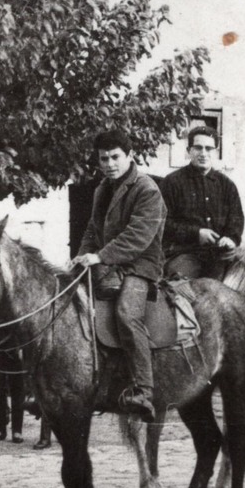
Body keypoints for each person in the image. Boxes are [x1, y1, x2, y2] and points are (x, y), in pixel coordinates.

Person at [71, 130, 167, 422]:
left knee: (127, 313)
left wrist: (100, 256)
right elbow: (92, 230)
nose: (110, 163)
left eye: (115, 157)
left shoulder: (147, 190)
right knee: (70, 304)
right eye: (104, 158)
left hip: (141, 265)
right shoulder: (103, 189)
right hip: (108, 264)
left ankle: (143, 388)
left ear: (129, 156)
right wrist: (81, 256)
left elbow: (138, 236)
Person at [159, 125, 245, 281]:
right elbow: (162, 223)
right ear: (188, 150)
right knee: (182, 289)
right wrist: (196, 233)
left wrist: (230, 238)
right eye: (198, 148)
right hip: (184, 254)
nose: (203, 153)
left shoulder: (227, 185)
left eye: (209, 148)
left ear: (216, 152)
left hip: (220, 256)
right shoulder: (172, 182)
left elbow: (236, 219)